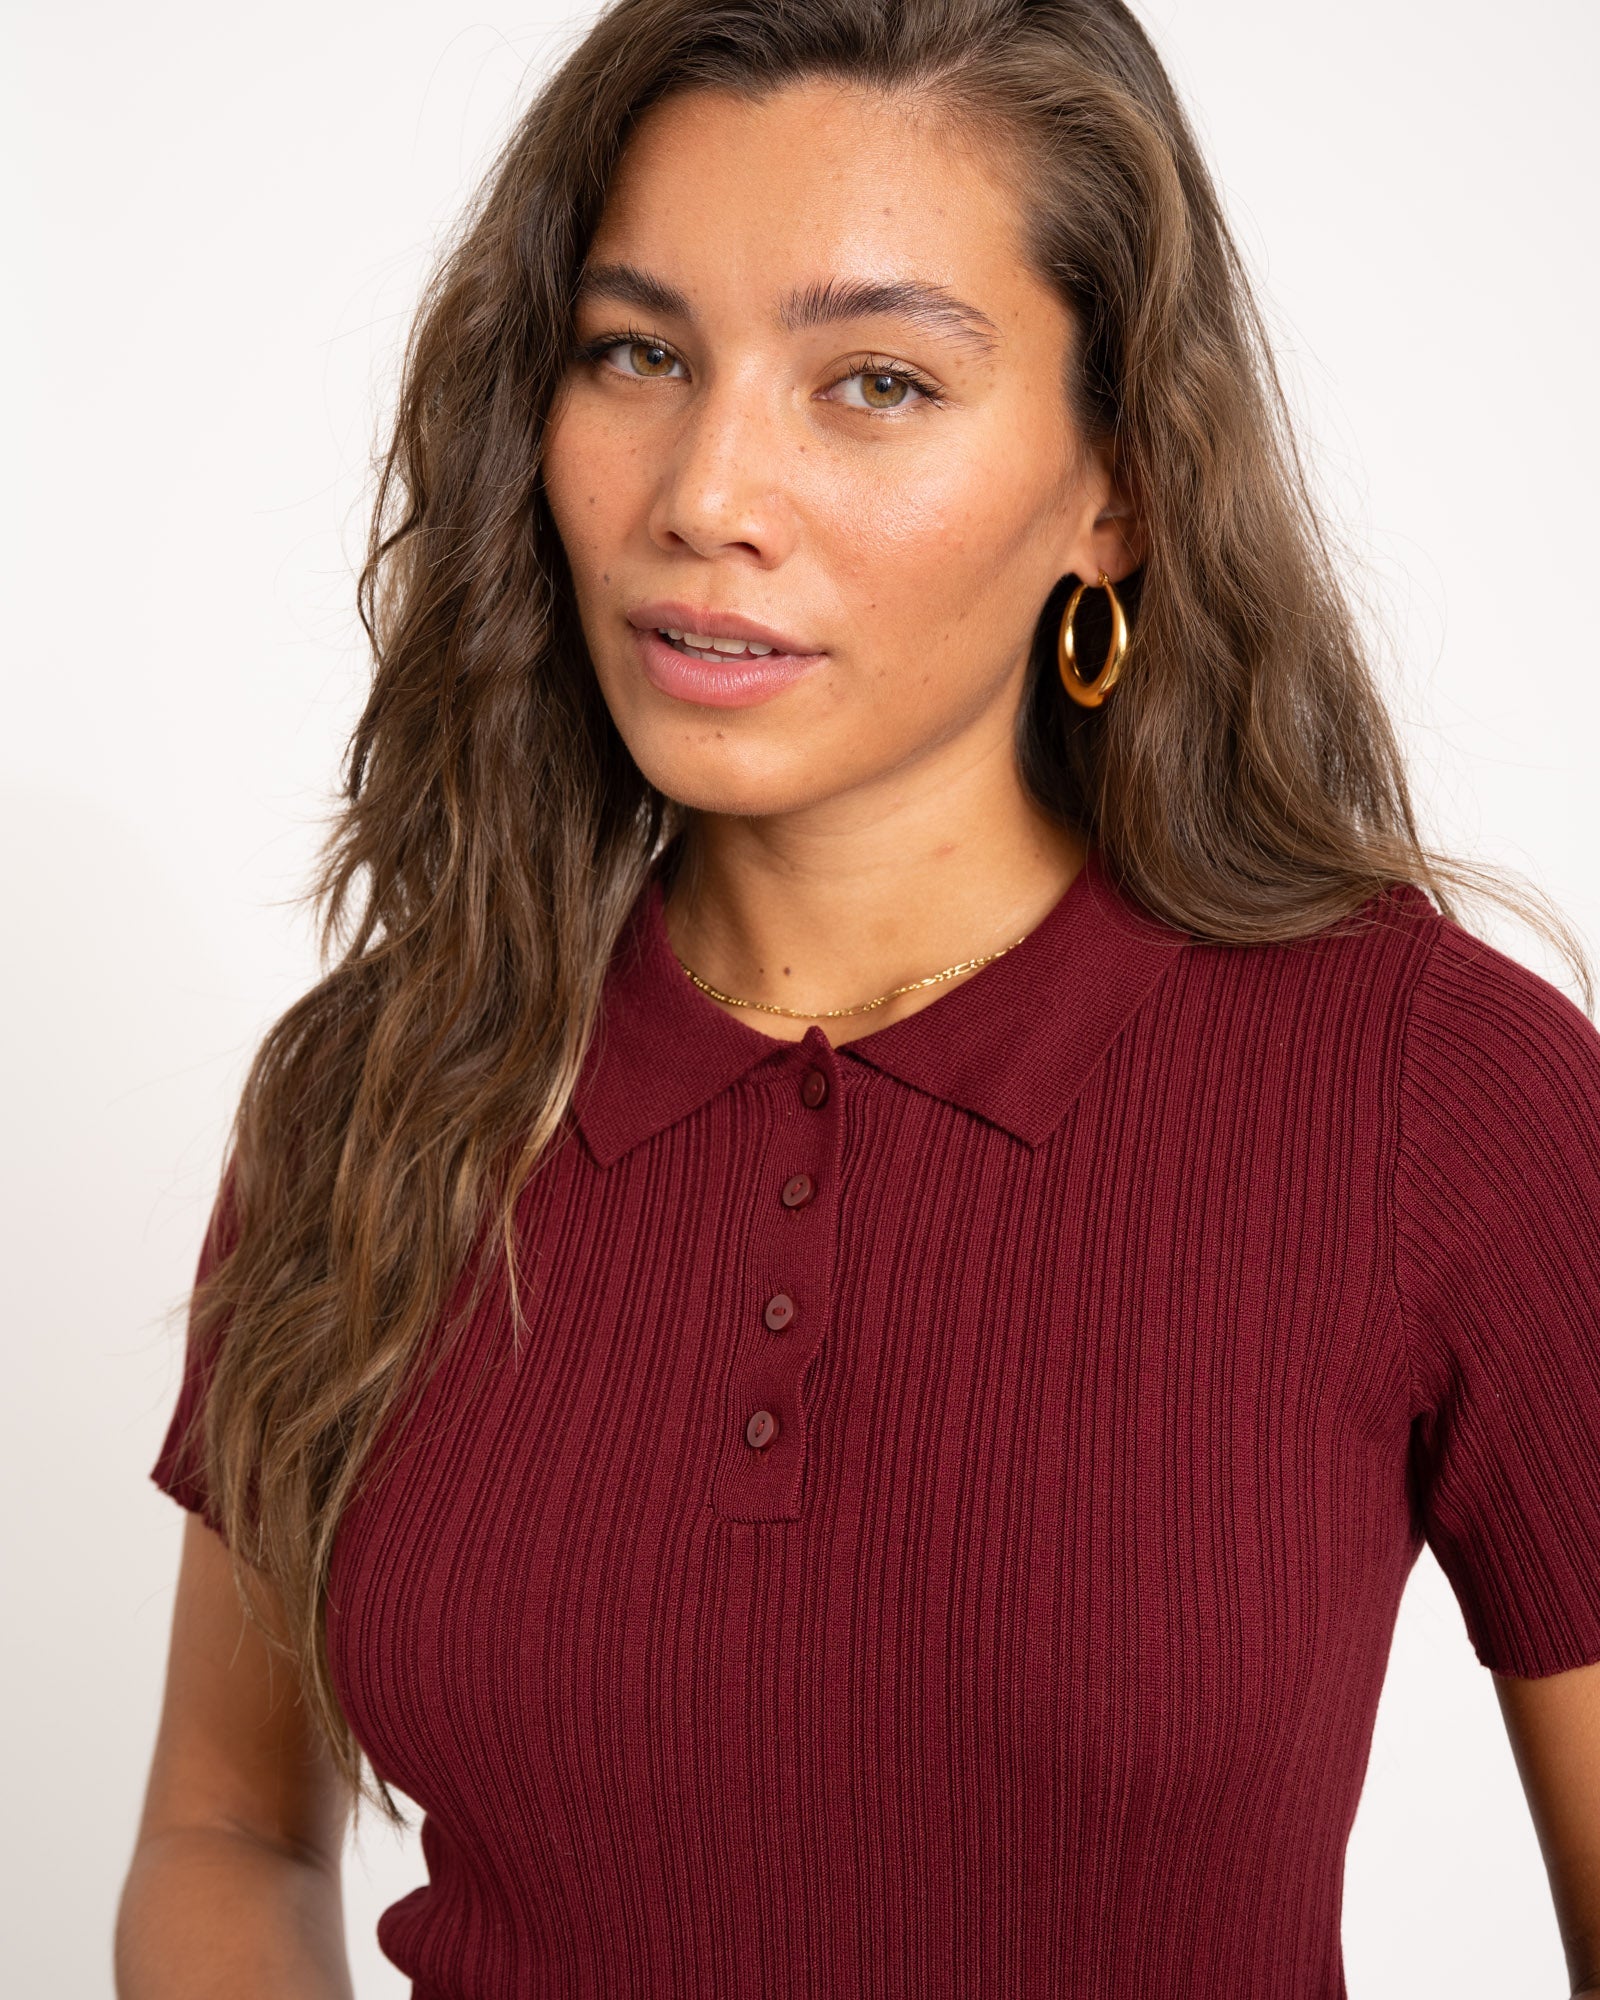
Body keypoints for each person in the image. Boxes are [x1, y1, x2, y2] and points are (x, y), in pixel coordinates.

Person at [115, 0, 1600, 1993]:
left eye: (877, 381)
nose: (706, 491)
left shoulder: (1437, 1091)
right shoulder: (376, 1088)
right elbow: (221, 1826)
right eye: (637, 352)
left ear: (1116, 487)